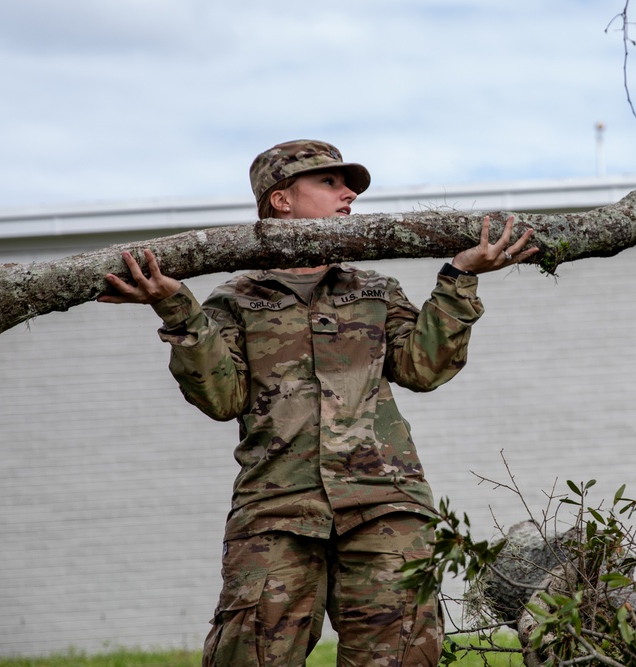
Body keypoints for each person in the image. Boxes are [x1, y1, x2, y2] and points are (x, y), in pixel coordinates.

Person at [99, 139, 537, 666]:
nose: (348, 193)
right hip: (276, 513)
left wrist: (460, 279)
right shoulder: (234, 300)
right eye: (329, 182)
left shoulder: (375, 289)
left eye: (347, 184)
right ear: (281, 200)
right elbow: (221, 398)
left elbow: (424, 369)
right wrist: (176, 310)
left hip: (385, 506)